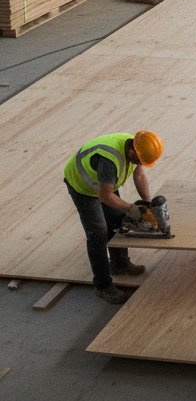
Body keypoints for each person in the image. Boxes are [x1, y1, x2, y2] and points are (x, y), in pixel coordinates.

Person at [63, 130, 164, 304]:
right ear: (132, 153)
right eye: (141, 161)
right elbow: (105, 196)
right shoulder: (110, 160)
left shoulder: (136, 147)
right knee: (98, 234)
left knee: (116, 220)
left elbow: (139, 174)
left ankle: (120, 264)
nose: (141, 164)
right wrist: (131, 208)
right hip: (83, 187)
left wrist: (147, 203)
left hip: (105, 182)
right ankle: (103, 286)